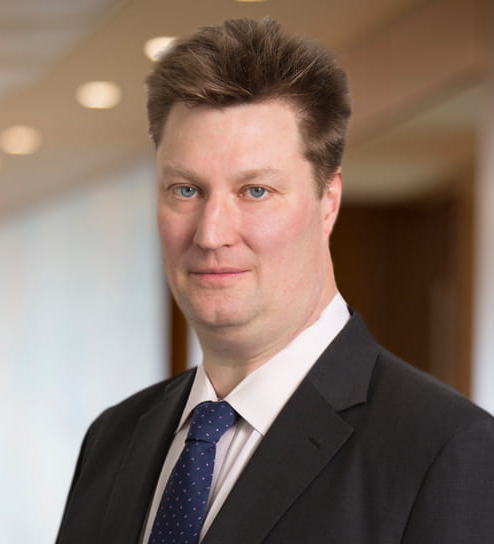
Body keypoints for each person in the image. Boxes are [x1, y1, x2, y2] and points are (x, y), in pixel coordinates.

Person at [56, 18, 494, 543]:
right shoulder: (112, 439)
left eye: (255, 191)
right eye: (186, 189)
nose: (211, 234)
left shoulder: (447, 450)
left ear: (328, 201)